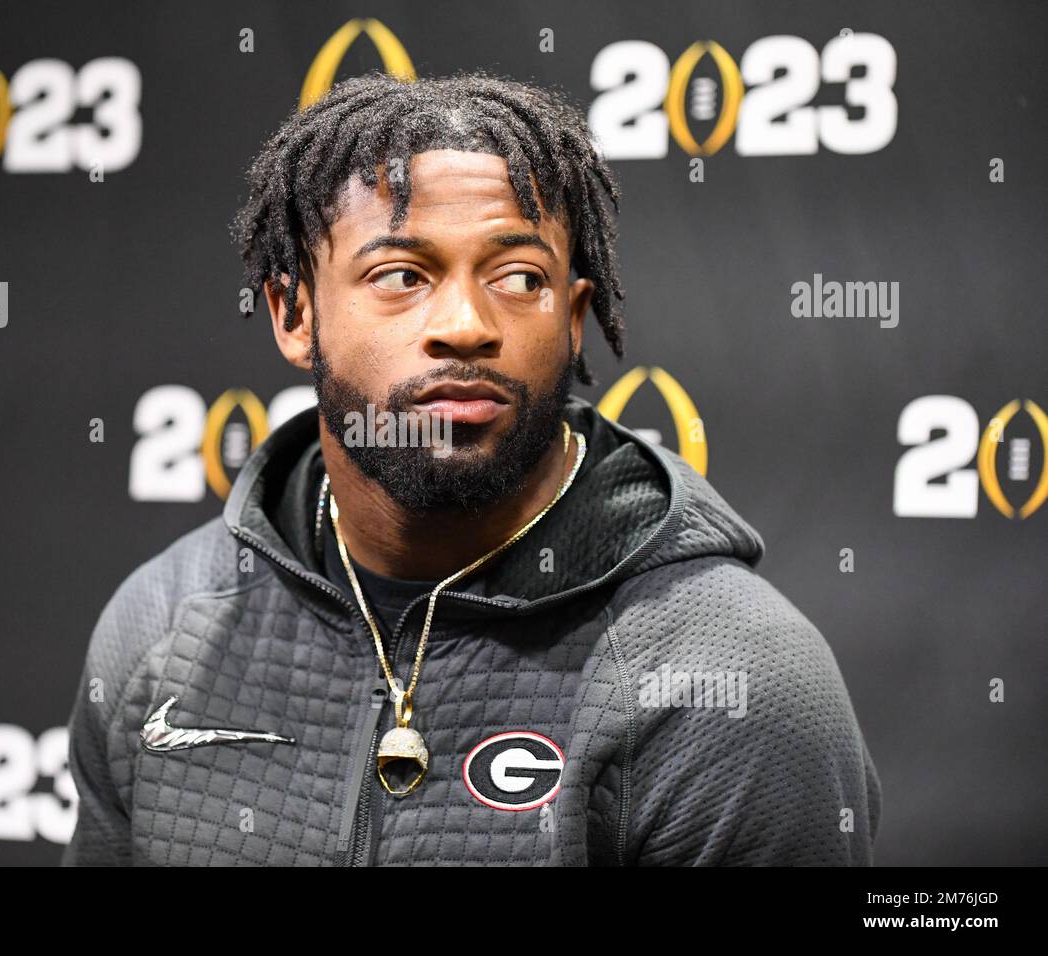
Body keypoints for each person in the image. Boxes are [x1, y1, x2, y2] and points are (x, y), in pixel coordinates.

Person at [62, 70, 881, 866]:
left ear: (572, 319)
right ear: (293, 312)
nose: (464, 325)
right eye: (401, 275)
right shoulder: (162, 628)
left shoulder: (732, 680)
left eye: (519, 277)